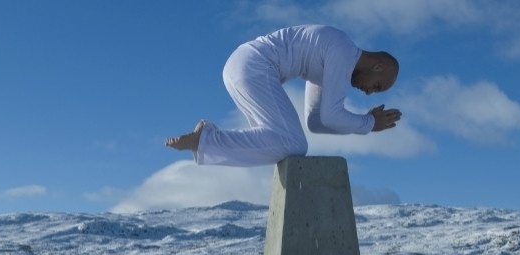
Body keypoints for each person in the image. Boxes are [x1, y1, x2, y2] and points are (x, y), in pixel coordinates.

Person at [166, 25, 401, 166]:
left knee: (279, 142)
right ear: (378, 66)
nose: (370, 92)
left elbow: (317, 121)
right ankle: (205, 139)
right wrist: (369, 123)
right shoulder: (343, 51)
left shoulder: (331, 60)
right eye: (377, 86)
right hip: (254, 67)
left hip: (239, 67)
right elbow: (332, 115)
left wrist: (366, 123)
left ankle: (205, 141)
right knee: (293, 144)